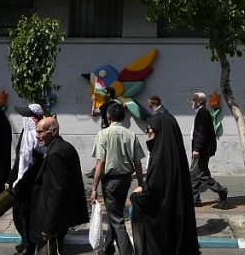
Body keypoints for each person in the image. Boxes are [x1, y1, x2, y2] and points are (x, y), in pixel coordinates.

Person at [131, 113, 201, 255]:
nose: (147, 133)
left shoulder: (159, 158)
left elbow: (152, 197)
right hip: (176, 222)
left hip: (162, 232)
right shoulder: (177, 156)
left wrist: (135, 196)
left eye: (149, 129)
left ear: (159, 131)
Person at [90, 102, 145, 255]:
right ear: (123, 117)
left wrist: (94, 188)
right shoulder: (131, 134)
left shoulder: (103, 134)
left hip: (110, 181)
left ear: (108, 117)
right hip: (125, 180)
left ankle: (127, 252)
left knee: (116, 218)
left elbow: (100, 162)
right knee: (115, 214)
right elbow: (138, 163)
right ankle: (108, 248)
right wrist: (141, 183)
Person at [30, 116, 88, 255]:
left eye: (40, 132)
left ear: (54, 131)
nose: (37, 136)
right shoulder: (65, 147)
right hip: (60, 218)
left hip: (53, 221)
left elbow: (57, 191)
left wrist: (49, 226)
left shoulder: (56, 152)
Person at [7, 103, 46, 255]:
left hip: (27, 185)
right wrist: (10, 179)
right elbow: (19, 160)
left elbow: (23, 164)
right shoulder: (28, 133)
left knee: (26, 217)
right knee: (22, 216)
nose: (23, 119)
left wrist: (13, 182)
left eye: (25, 116)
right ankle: (26, 242)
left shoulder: (35, 137)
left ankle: (28, 247)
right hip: (25, 184)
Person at [190, 92, 228, 207]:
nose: (191, 102)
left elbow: (202, 133)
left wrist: (197, 149)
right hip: (199, 148)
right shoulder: (201, 112)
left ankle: (221, 190)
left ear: (199, 101)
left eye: (193, 100)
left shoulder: (203, 113)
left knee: (200, 174)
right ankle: (195, 200)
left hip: (201, 150)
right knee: (194, 175)